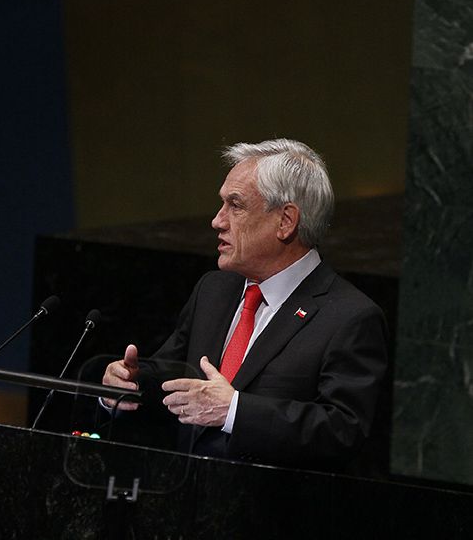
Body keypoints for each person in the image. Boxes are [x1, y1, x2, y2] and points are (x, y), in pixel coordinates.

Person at [102, 139, 387, 471]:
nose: (217, 221)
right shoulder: (214, 290)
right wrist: (126, 385)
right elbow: (171, 377)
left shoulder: (349, 316)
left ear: (286, 221)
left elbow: (343, 431)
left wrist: (234, 411)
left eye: (234, 206)